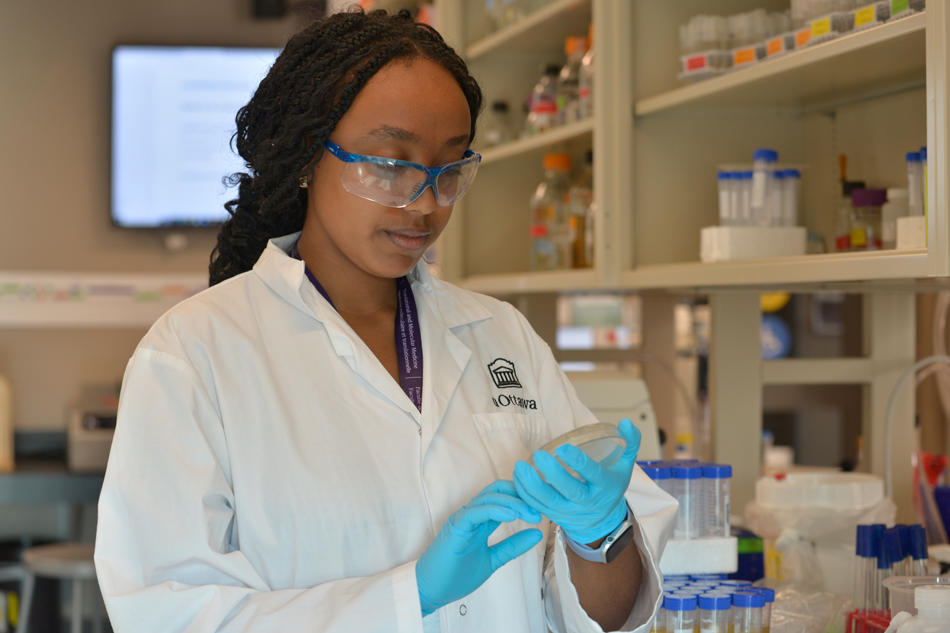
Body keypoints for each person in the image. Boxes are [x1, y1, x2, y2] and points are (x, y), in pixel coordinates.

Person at [94, 8, 677, 633]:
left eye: (449, 169)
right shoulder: (196, 352)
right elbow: (167, 614)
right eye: (390, 165)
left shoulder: (499, 335)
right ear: (305, 157)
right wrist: (405, 598)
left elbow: (612, 613)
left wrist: (602, 535)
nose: (424, 204)